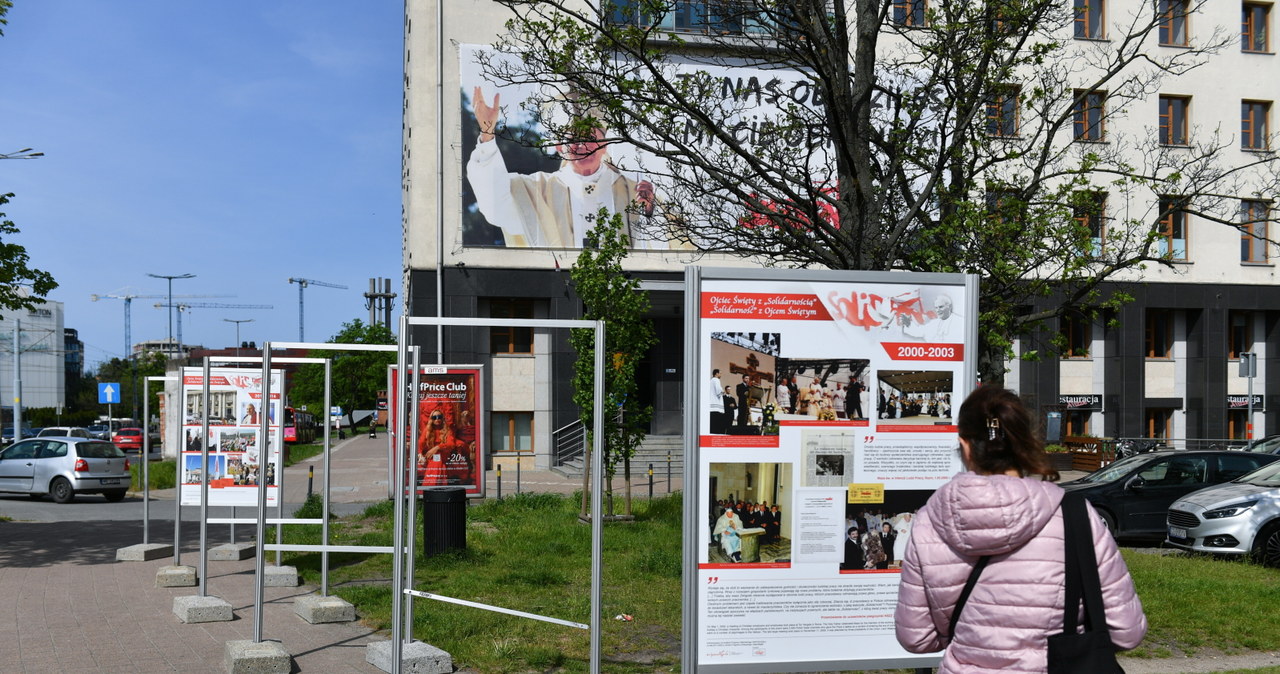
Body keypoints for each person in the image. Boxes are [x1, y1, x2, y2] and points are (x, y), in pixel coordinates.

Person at [895, 386, 1146, 672]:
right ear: (1024, 442)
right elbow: (1127, 631)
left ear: (964, 445)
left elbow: (916, 638)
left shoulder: (928, 521)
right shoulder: (1074, 514)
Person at [468, 87, 681, 249]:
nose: (582, 145)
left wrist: (649, 211)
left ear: (605, 144)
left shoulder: (634, 189)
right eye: (573, 138)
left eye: (590, 137)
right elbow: (495, 205)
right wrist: (487, 135)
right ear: (560, 147)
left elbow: (664, 243)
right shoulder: (537, 189)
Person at [709, 369, 725, 434]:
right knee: (717, 423)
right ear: (716, 374)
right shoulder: (716, 380)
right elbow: (718, 391)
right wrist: (723, 392)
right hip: (716, 405)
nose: (721, 375)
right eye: (720, 373)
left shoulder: (710, 381)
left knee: (712, 423)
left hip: (711, 405)